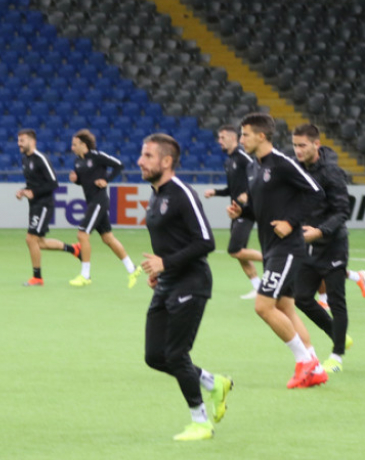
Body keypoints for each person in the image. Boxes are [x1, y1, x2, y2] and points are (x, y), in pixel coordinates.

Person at [138, 133, 232, 441]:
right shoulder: (156, 194)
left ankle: (201, 421)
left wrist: (166, 263)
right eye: (143, 155)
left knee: (177, 353)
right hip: (168, 282)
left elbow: (207, 242)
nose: (140, 161)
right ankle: (212, 382)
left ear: (166, 162)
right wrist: (160, 270)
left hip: (192, 282)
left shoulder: (181, 193)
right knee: (155, 356)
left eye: (148, 156)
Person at [226, 113, 328, 389]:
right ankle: (315, 366)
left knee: (263, 306)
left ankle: (303, 362)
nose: (241, 139)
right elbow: (260, 206)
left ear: (261, 136)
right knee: (286, 309)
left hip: (288, 248)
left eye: (245, 134)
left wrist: (291, 222)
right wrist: (242, 211)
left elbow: (316, 193)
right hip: (270, 247)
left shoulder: (283, 164)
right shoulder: (253, 168)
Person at [290, 124, 352, 374]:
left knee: (337, 301)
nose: (297, 150)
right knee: (302, 297)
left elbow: (342, 211)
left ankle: (337, 355)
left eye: (302, 145)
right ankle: (337, 333)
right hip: (309, 246)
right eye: (295, 145)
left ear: (317, 145)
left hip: (333, 245)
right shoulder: (295, 170)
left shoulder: (331, 172)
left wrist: (320, 231)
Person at [67, 129, 141, 288]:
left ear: (83, 144)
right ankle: (132, 268)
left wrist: (106, 180)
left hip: (99, 201)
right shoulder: (77, 162)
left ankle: (85, 275)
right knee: (108, 238)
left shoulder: (97, 156)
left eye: (74, 144)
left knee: (82, 234)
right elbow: (84, 180)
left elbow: (119, 165)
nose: (72, 147)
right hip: (92, 202)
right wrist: (76, 180)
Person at [15, 129, 81, 286]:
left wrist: (33, 192)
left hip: (44, 204)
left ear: (32, 141)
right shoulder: (25, 160)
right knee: (39, 242)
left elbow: (53, 183)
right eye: (18, 140)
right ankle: (74, 249)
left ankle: (37, 278)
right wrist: (24, 191)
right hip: (35, 205)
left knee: (30, 239)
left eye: (22, 140)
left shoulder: (40, 159)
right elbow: (34, 184)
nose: (19, 143)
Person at [204, 124, 262, 299]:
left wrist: (247, 194)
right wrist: (216, 192)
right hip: (236, 211)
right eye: (219, 138)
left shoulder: (244, 157)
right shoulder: (229, 161)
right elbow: (232, 189)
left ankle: (274, 259)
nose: (219, 141)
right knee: (240, 253)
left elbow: (259, 177)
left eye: (222, 138)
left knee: (235, 250)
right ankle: (258, 287)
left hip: (249, 210)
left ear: (233, 138)